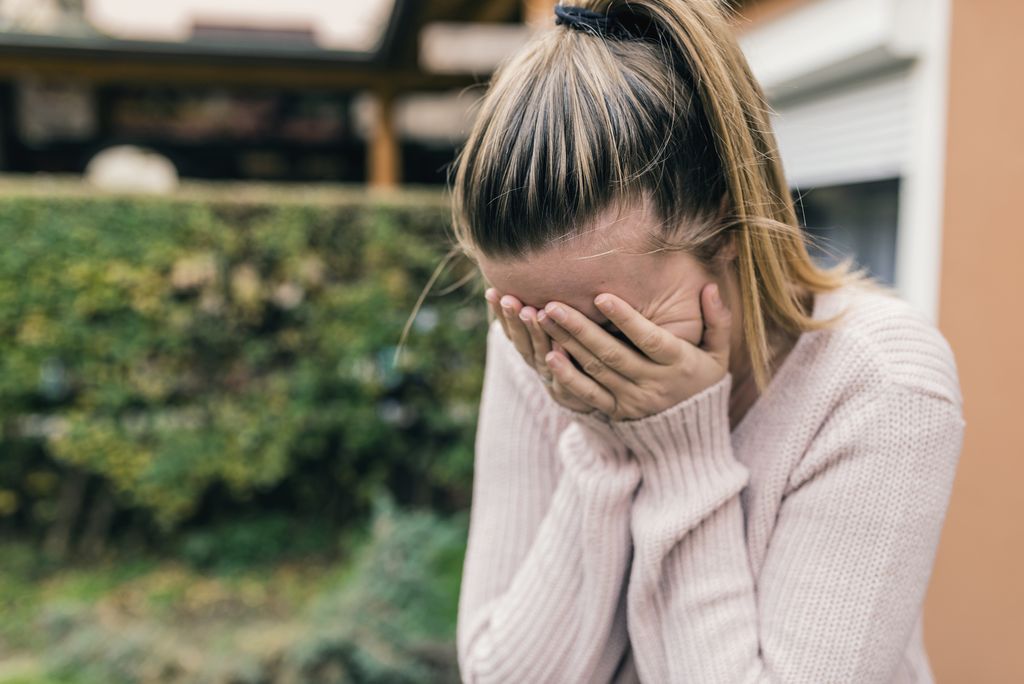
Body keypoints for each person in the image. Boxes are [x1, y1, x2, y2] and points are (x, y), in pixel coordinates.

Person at [449, 2, 965, 682]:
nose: (572, 362)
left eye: (610, 327)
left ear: (727, 226)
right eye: (539, 325)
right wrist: (604, 441)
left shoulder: (881, 384)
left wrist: (680, 457)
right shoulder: (535, 340)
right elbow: (496, 673)